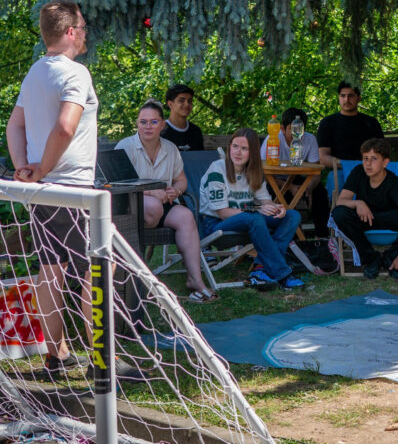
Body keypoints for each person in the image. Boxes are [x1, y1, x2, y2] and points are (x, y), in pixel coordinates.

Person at [5, 0, 98, 375]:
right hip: (73, 189)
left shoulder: (34, 73)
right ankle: (100, 362)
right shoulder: (76, 73)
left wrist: (23, 169)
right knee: (93, 270)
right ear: (71, 32)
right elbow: (65, 127)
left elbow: (14, 127)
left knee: (50, 270)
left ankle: (55, 356)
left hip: (41, 192)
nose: (86, 32)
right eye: (84, 26)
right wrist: (40, 168)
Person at [116, 100, 215, 302]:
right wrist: (153, 193)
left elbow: (181, 180)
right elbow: (117, 186)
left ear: (162, 125)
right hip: (132, 209)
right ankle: (138, 274)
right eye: (143, 122)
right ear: (137, 124)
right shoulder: (125, 147)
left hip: (164, 205)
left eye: (153, 122)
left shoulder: (170, 149)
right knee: (152, 206)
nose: (148, 126)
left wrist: (174, 192)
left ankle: (195, 280)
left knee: (186, 216)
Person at [200, 128, 304, 289]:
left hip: (248, 220)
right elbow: (223, 213)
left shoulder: (254, 172)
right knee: (254, 217)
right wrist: (257, 209)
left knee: (292, 216)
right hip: (216, 225)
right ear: (229, 147)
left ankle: (260, 269)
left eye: (244, 148)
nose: (238, 152)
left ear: (252, 152)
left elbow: (265, 202)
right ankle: (282, 274)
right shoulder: (218, 168)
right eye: (235, 146)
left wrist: (276, 208)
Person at [330, 138, 398, 279]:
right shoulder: (358, 172)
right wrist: (358, 203)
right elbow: (341, 201)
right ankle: (371, 259)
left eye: (374, 159)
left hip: (390, 218)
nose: (368, 163)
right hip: (364, 219)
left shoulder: (392, 182)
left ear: (385, 162)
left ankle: (393, 257)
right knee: (339, 213)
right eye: (365, 158)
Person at [260, 107, 329, 238]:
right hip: (274, 181)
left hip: (297, 179)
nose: (297, 134)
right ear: (282, 129)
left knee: (319, 192)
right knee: (282, 197)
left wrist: (308, 188)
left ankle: (323, 239)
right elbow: (262, 173)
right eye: (293, 130)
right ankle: (292, 240)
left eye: (300, 131)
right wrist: (291, 188)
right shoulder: (272, 140)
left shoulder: (310, 139)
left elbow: (316, 172)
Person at [317, 81, 383, 167]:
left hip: (368, 172)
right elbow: (322, 157)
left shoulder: (371, 123)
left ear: (359, 98)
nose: (346, 100)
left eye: (351, 96)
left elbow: (382, 153)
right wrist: (348, 165)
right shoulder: (327, 122)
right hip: (339, 172)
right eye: (343, 96)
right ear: (339, 98)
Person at [161, 83, 204, 151]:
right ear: (170, 104)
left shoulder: (196, 131)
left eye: (189, 101)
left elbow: (200, 159)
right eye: (181, 100)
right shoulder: (161, 131)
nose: (187, 104)